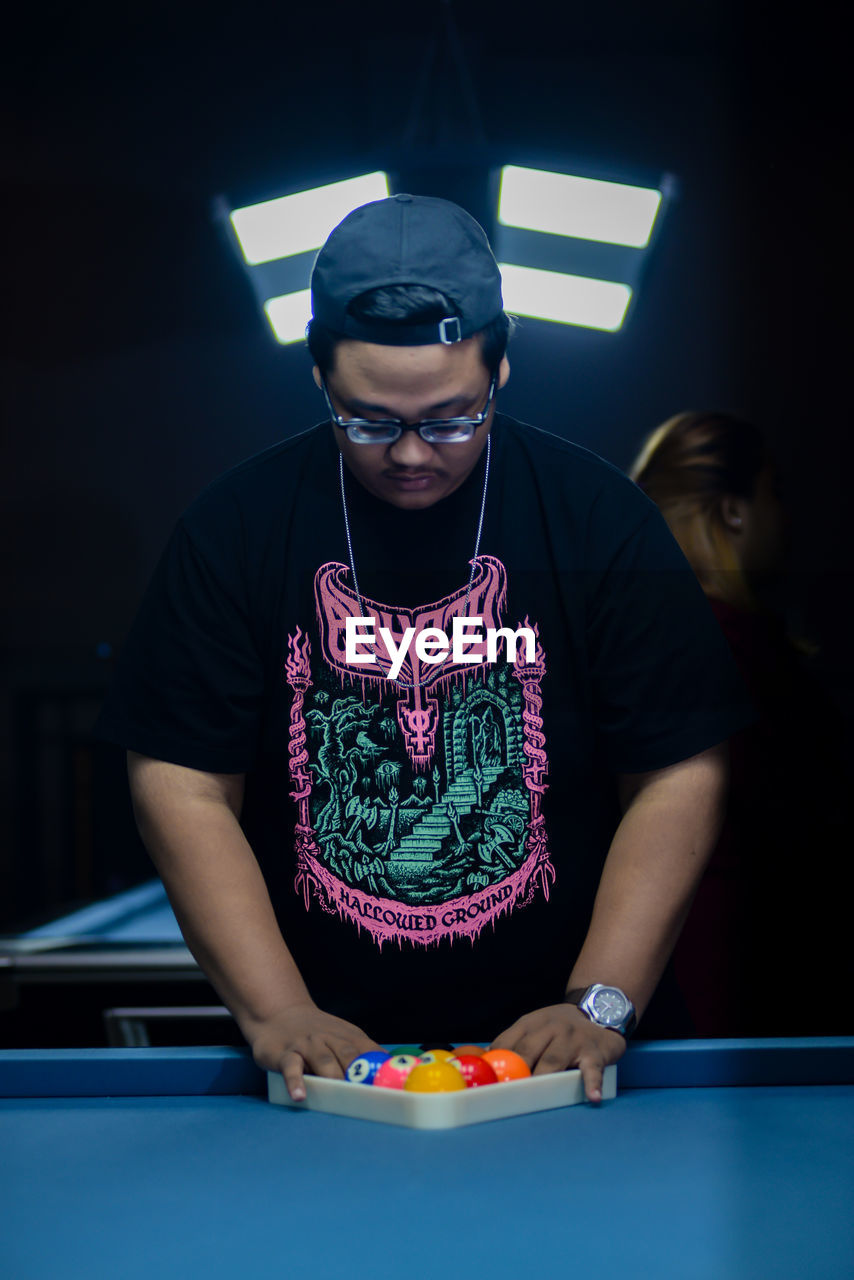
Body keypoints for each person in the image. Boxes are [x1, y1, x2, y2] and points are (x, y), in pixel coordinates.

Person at [95, 194, 756, 1102]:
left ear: (503, 365)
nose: (411, 454)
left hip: (573, 1063)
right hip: (328, 1069)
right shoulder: (233, 531)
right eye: (368, 422)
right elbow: (180, 779)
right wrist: (277, 1011)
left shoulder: (600, 521)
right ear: (319, 378)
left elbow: (679, 770)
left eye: (451, 419)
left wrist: (602, 1000)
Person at [628, 411, 851, 1034]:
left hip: (653, 976)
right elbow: (804, 828)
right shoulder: (740, 647)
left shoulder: (634, 640)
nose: (787, 518)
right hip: (745, 980)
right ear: (734, 511)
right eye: (774, 492)